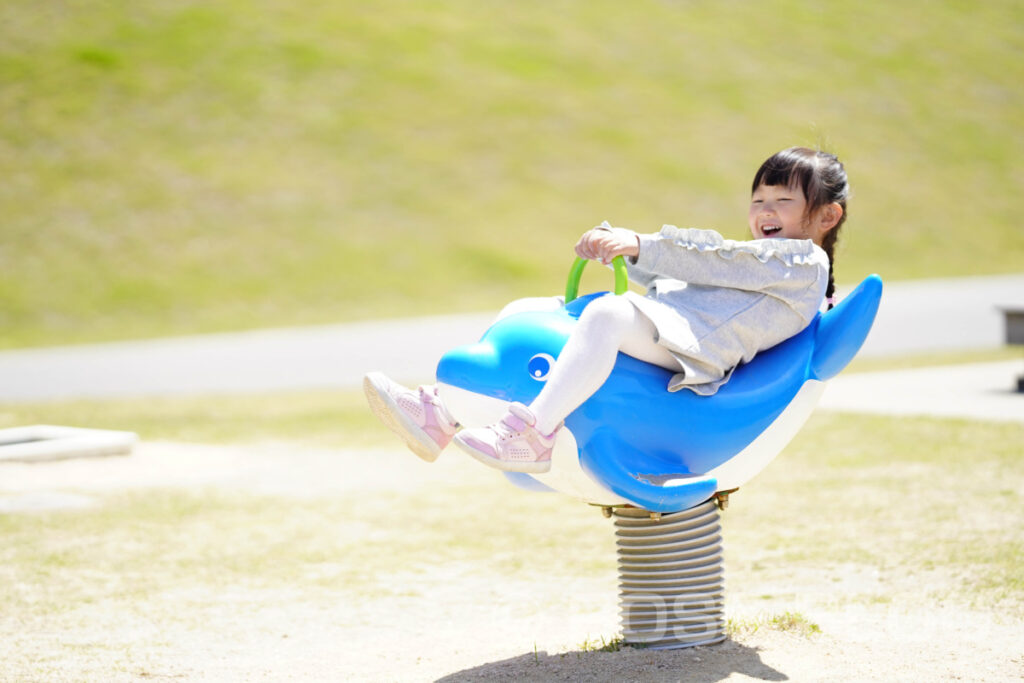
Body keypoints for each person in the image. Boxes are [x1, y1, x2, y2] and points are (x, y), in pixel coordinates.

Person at [364, 147, 849, 474]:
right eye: (758, 199)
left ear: (827, 216)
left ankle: (533, 436)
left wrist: (639, 243)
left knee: (608, 316)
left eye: (783, 201)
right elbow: (678, 279)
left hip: (698, 352)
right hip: (675, 330)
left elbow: (713, 258)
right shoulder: (764, 264)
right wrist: (619, 251)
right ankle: (438, 413)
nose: (765, 210)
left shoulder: (802, 262)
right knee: (530, 307)